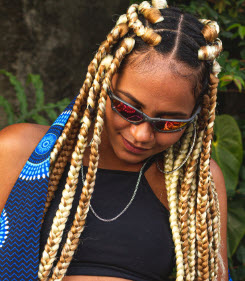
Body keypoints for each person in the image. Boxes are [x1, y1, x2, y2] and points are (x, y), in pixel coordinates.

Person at [0, 0, 230, 280]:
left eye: (169, 123)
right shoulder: (19, 151)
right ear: (103, 81)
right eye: (128, 109)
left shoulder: (194, 183)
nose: (141, 134)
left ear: (196, 115)